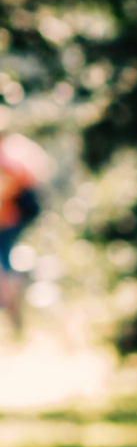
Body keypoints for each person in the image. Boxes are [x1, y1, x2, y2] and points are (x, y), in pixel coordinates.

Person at [0, 133, 48, 344]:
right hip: (17, 214)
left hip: (12, 216)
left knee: (3, 263)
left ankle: (12, 308)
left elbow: (10, 188)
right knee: (5, 261)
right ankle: (13, 311)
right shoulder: (15, 147)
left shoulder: (7, 156)